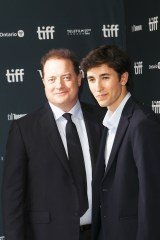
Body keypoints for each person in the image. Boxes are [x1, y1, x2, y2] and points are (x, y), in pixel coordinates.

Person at [2, 48, 105, 240]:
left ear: (79, 78)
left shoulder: (102, 120)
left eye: (66, 77)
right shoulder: (24, 130)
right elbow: (12, 196)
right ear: (43, 82)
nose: (59, 85)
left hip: (99, 234)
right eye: (51, 79)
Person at [80, 44, 160, 240]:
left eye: (105, 78)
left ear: (123, 78)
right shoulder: (109, 120)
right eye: (91, 79)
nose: (97, 88)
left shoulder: (142, 123)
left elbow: (152, 196)